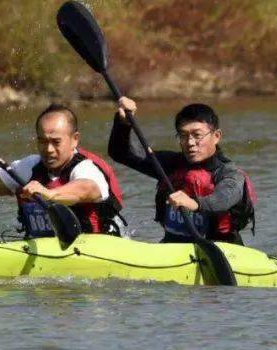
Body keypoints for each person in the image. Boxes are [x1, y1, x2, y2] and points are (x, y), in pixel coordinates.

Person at [109, 98, 256, 245]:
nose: (190, 143)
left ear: (216, 136)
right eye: (183, 136)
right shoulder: (170, 164)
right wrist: (123, 123)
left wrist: (195, 203)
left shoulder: (228, 173)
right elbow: (120, 153)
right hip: (174, 249)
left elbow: (225, 197)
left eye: (197, 135)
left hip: (221, 250)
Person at [0, 103, 124, 237]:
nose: (48, 149)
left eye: (56, 142)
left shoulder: (86, 168)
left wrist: (48, 193)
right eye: (42, 141)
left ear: (74, 139)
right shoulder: (30, 166)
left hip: (93, 252)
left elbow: (87, 188)